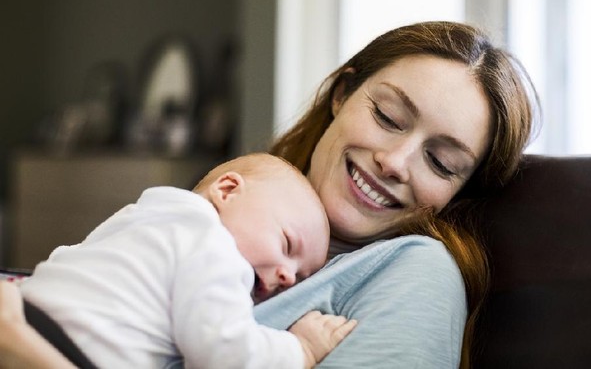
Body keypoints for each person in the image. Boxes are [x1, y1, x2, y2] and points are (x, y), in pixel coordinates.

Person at [0, 21, 538, 368]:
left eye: (442, 162)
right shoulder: (223, 216)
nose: (395, 162)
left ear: (460, 192)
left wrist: (24, 350)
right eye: (387, 116)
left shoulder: (415, 272)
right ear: (342, 95)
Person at [18, 153, 357, 368]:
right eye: (286, 243)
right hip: (64, 348)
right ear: (226, 191)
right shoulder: (213, 245)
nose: (287, 276)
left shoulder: (148, 215)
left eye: (299, 277)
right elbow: (225, 354)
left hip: (29, 311)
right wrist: (302, 349)